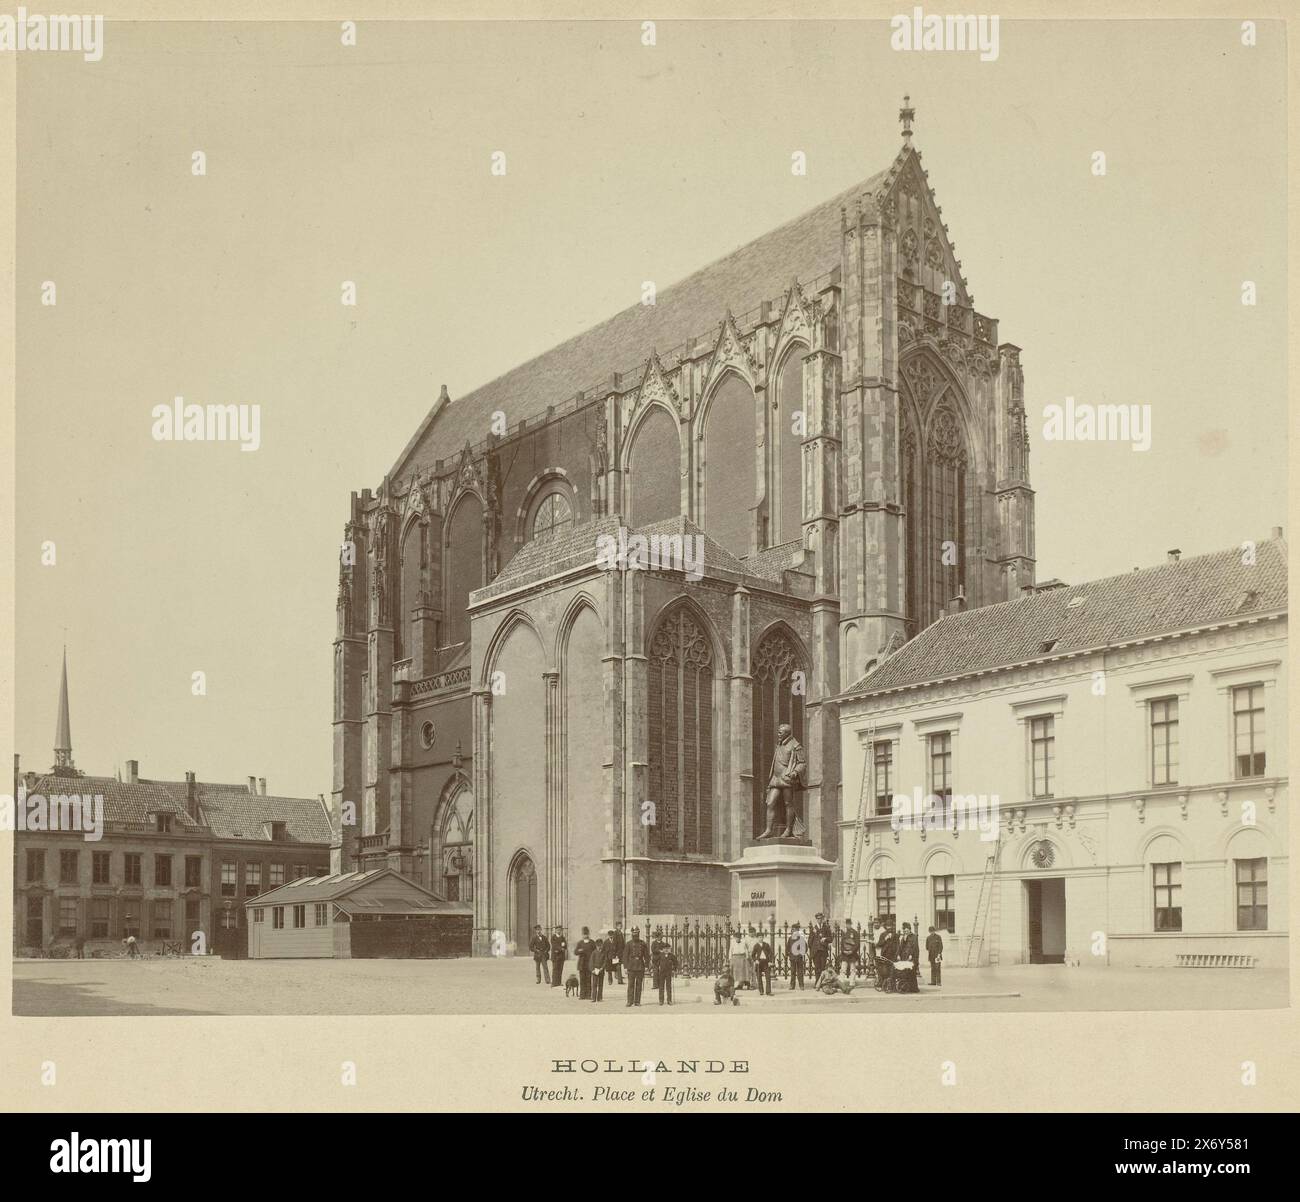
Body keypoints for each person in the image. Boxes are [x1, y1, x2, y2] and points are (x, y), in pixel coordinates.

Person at [758, 722, 808, 838]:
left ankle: (788, 829)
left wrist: (795, 772)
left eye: (780, 732)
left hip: (787, 779)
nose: (778, 734)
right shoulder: (779, 745)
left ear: (787, 733)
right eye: (778, 732)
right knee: (770, 803)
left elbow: (802, 763)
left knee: (788, 804)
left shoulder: (796, 746)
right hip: (776, 779)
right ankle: (768, 830)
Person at [624, 926, 649, 1007]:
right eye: (634, 933)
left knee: (639, 985)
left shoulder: (643, 943)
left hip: (640, 966)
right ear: (632, 934)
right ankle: (629, 1001)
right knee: (630, 985)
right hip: (631, 967)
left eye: (637, 933)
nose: (635, 934)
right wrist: (625, 967)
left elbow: (647, 955)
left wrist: (646, 966)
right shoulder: (628, 944)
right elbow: (625, 956)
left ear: (639, 933)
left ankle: (637, 1001)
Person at [652, 934, 675, 1006]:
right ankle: (661, 1000)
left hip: (668, 973)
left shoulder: (671, 955)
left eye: (668, 948)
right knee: (661, 987)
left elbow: (676, 962)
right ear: (663, 949)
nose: (666, 950)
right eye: (665, 948)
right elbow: (655, 961)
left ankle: (669, 1000)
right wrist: (657, 965)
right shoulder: (660, 955)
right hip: (661, 973)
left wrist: (674, 969)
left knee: (669, 986)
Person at [574, 927, 597, 999]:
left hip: (589, 964)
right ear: (582, 935)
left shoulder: (592, 942)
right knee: (582, 980)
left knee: (588, 979)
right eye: (584, 934)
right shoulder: (580, 943)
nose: (585, 936)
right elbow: (575, 952)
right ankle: (582, 995)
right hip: (582, 964)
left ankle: (588, 994)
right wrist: (580, 951)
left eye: (586, 934)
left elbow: (595, 952)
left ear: (588, 934)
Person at [810, 913, 832, 981]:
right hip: (816, 952)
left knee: (822, 968)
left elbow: (831, 939)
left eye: (821, 918)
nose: (819, 920)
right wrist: (813, 948)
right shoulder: (813, 929)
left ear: (822, 919)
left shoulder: (826, 928)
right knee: (817, 968)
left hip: (823, 951)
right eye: (818, 918)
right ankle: (817, 982)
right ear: (816, 919)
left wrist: (825, 939)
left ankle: (822, 982)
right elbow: (810, 941)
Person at [786, 923, 807, 990]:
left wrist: (800, 954)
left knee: (800, 972)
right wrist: (789, 954)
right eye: (793, 930)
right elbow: (788, 947)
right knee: (792, 972)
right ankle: (792, 985)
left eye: (795, 930)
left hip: (799, 958)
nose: (793, 931)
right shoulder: (790, 938)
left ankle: (801, 985)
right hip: (792, 958)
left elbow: (805, 948)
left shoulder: (801, 938)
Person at [590, 933, 607, 1002]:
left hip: (601, 970)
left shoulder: (604, 952)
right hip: (595, 970)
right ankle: (593, 998)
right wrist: (592, 969)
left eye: (600, 946)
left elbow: (605, 961)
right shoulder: (594, 953)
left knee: (600, 984)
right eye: (598, 946)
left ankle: (599, 998)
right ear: (596, 946)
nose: (599, 947)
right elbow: (591, 962)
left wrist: (602, 968)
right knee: (594, 984)